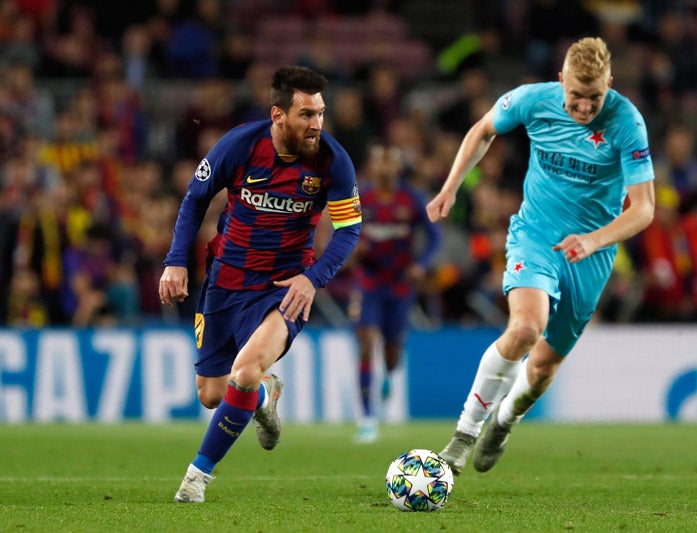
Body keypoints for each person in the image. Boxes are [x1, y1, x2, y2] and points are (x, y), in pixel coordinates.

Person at [426, 37, 655, 475]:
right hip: (534, 235)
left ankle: (505, 420)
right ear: (560, 81)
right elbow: (482, 130)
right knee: (526, 327)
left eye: (595, 97)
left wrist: (594, 240)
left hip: (591, 253)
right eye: (576, 95)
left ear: (610, 82)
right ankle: (463, 437)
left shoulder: (628, 123)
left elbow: (644, 208)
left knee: (544, 368)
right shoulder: (532, 100)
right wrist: (451, 186)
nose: (585, 107)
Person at [159, 66, 362, 503]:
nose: (317, 125)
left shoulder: (332, 160)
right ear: (278, 114)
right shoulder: (240, 145)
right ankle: (266, 391)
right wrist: (176, 261)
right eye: (306, 115)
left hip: (282, 288)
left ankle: (196, 478)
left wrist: (312, 279)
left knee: (244, 371)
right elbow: (196, 199)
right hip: (224, 282)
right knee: (213, 395)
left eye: (321, 114)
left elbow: (348, 229)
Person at [350, 144, 441, 444]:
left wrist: (421, 265)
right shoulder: (360, 198)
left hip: (401, 284)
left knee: (392, 354)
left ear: (398, 168)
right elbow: (342, 231)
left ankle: (388, 375)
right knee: (365, 343)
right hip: (369, 281)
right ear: (373, 167)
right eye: (380, 163)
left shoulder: (411, 199)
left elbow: (434, 237)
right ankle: (366, 419)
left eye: (390, 164)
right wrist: (353, 250)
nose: (385, 169)